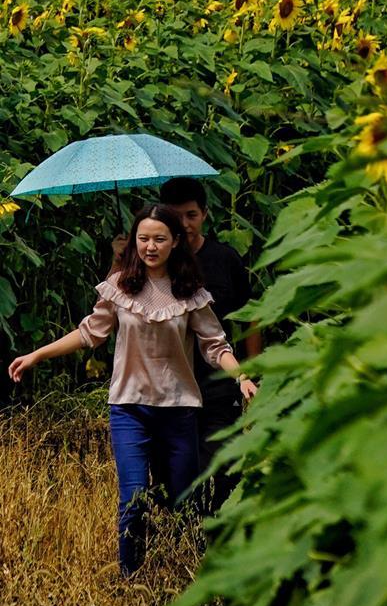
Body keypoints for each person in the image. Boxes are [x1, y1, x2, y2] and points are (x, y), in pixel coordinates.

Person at [9, 203, 257, 576]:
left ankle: (182, 574)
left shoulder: (191, 293)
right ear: (134, 242)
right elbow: (88, 332)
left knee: (182, 497)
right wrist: (36, 355)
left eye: (159, 239)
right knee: (134, 498)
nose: (150, 246)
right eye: (143, 239)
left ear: (175, 242)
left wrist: (242, 377)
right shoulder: (120, 287)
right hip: (129, 409)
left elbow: (216, 346)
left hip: (179, 409)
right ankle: (131, 576)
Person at [111, 178, 261, 514]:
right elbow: (112, 311)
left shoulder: (224, 259)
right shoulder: (149, 268)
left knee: (225, 467)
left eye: (192, 215)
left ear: (205, 214)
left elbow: (252, 317)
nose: (186, 224)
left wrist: (250, 372)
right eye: (178, 217)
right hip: (168, 390)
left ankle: (219, 536)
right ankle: (181, 540)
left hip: (217, 386)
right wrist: (121, 261)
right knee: (171, 478)